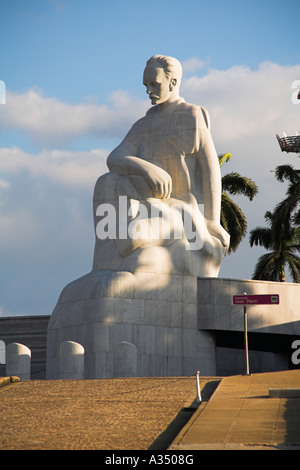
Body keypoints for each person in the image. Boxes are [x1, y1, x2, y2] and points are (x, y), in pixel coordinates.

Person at [92, 55, 229, 277]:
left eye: (154, 84)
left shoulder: (192, 115)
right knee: (106, 182)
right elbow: (115, 157)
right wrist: (145, 168)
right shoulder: (143, 124)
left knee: (135, 235)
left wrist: (213, 222)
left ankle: (130, 244)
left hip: (181, 211)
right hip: (146, 204)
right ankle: (104, 264)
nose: (148, 90)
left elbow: (210, 169)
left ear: (173, 82)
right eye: (146, 85)